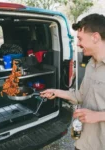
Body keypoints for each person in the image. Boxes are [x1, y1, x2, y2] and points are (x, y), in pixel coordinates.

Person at [40, 13, 105, 150]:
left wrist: (99, 116)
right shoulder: (91, 64)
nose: (78, 43)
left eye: (80, 39)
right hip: (84, 142)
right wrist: (56, 92)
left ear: (95, 37)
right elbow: (80, 96)